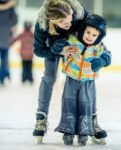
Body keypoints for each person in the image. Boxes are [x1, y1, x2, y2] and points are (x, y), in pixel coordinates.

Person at [33, 0, 109, 144]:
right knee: (49, 77)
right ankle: (41, 118)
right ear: (53, 21)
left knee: (87, 80)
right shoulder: (42, 25)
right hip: (53, 49)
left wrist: (101, 57)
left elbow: (94, 32)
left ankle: (92, 120)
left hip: (75, 47)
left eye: (70, 20)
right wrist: (57, 50)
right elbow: (38, 50)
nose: (69, 24)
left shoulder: (79, 13)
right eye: (64, 23)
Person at [55, 14, 111, 146]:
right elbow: (61, 48)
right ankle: (67, 131)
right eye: (88, 32)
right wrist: (61, 47)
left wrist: (101, 61)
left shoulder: (98, 47)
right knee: (69, 104)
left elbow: (107, 55)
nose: (90, 37)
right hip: (71, 79)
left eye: (94, 35)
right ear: (82, 30)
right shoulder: (73, 40)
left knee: (85, 105)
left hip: (88, 82)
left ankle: (84, 131)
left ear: (99, 37)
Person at [0, 0, 17, 85]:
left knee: (4, 58)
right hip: (5, 36)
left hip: (4, 36)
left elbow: (14, 20)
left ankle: (4, 76)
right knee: (4, 58)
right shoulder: (10, 6)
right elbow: (14, 20)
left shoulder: (10, 6)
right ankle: (3, 76)